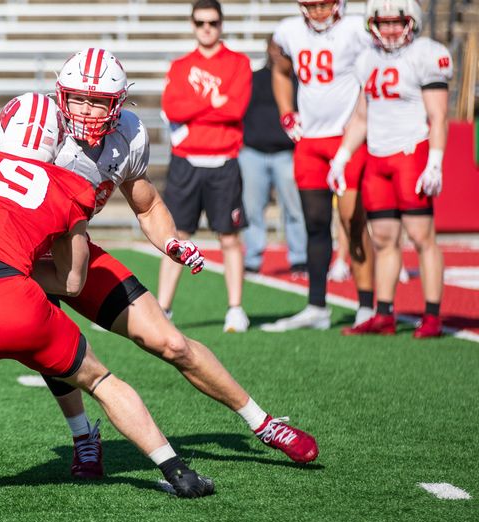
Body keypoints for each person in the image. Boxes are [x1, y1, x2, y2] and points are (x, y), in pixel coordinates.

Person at [0, 93, 215, 509]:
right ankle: (175, 469)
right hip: (23, 306)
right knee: (103, 383)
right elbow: (72, 283)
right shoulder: (66, 186)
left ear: (0, 131)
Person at [38, 46, 318, 481]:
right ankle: (83, 438)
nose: (88, 110)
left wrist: (171, 242)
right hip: (25, 256)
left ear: (118, 103)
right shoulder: (38, 129)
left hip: (76, 249)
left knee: (172, 343)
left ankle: (263, 423)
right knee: (56, 349)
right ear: (61, 95)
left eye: (98, 101)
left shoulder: (128, 134)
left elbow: (146, 204)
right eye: (78, 98)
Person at [331, 0, 451, 338]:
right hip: (378, 156)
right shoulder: (368, 59)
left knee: (420, 236)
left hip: (411, 153)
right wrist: (341, 156)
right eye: (383, 23)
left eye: (397, 22)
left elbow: (439, 115)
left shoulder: (426, 54)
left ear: (411, 21)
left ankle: (431, 315)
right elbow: (360, 117)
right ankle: (384, 312)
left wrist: (436, 161)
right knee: (383, 238)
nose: (390, 29)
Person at [262, 0, 376, 332]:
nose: (317, 12)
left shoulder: (355, 29)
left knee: (352, 219)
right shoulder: (289, 31)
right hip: (310, 140)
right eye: (310, 5)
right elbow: (280, 69)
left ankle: (368, 305)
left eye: (323, 4)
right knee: (315, 222)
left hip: (346, 137)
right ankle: (317, 305)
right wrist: (287, 111)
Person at [157, 0, 252, 332]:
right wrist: (212, 102)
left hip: (224, 161)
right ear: (193, 24)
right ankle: (163, 309)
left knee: (229, 236)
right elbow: (172, 106)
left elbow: (235, 110)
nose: (207, 28)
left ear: (221, 23)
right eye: (200, 23)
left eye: (212, 22)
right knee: (177, 236)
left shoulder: (239, 64)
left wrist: (195, 107)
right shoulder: (181, 65)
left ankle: (236, 309)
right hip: (186, 161)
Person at [240, 38, 307, 275]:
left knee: (294, 208)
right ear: (267, 49)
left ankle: (300, 258)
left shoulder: (297, 81)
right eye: (274, 47)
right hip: (253, 153)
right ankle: (252, 257)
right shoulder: (253, 78)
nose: (277, 52)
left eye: (282, 48)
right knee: (252, 209)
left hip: (285, 154)